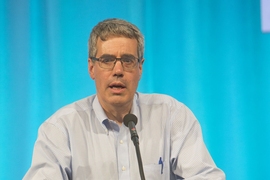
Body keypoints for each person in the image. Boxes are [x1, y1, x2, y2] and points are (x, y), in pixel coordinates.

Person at [23, 18, 225, 180]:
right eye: (107, 60)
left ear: (140, 68)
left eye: (128, 61)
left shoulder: (171, 116)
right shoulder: (61, 129)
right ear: (91, 68)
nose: (118, 71)